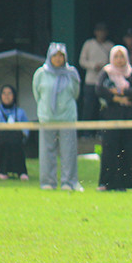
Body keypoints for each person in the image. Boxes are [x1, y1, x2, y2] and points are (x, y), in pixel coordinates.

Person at [32, 42, 82, 191]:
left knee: (69, 151)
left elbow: (75, 93)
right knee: (46, 152)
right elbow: (37, 94)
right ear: (50, 56)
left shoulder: (72, 73)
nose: (58, 59)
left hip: (67, 117)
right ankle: (48, 182)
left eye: (61, 56)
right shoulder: (41, 73)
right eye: (55, 55)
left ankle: (69, 182)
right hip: (47, 118)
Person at [96, 45, 132, 192]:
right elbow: (99, 89)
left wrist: (123, 91)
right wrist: (117, 99)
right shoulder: (106, 72)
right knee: (110, 149)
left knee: (128, 150)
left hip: (130, 117)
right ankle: (107, 182)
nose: (119, 60)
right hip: (111, 116)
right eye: (116, 57)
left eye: (121, 56)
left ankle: (124, 183)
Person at [0, 85, 30, 181]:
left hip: (16, 140)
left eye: (9, 93)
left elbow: (26, 129)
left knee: (14, 139)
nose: (6, 96)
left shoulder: (20, 112)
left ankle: (21, 172)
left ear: (14, 96)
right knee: (6, 139)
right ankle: (2, 170)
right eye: (4, 93)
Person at [78, 22, 113, 135]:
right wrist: (94, 65)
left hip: (105, 83)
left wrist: (105, 66)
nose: (101, 33)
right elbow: (82, 61)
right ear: (95, 32)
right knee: (88, 108)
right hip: (90, 81)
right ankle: (86, 134)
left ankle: (103, 134)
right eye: (99, 31)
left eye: (103, 31)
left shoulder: (110, 46)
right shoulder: (89, 44)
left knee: (104, 109)